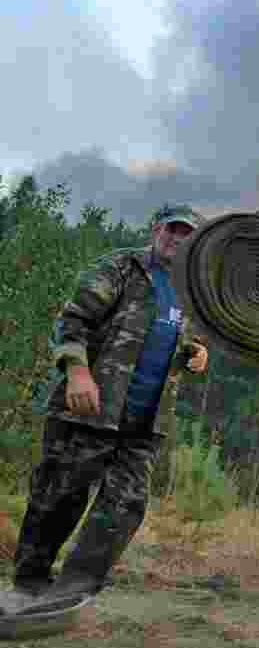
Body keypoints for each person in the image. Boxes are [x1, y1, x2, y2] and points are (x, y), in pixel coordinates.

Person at [6, 204, 209, 608]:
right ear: (157, 230)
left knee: (125, 507)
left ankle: (71, 593)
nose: (177, 239)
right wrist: (78, 372)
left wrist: (196, 353)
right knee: (58, 496)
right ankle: (27, 585)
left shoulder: (191, 293)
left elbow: (180, 340)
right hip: (91, 407)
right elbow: (72, 321)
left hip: (146, 421)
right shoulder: (122, 269)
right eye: (173, 230)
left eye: (187, 235)